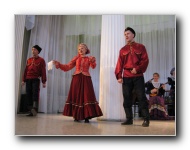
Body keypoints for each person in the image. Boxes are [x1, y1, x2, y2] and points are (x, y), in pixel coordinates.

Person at [53, 43, 103, 123]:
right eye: (79, 49)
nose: (80, 50)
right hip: (76, 78)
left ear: (86, 49)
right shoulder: (76, 58)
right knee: (76, 96)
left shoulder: (89, 58)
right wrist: (59, 64)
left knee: (86, 96)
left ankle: (87, 116)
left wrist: (93, 61)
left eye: (82, 48)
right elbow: (67, 67)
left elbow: (93, 67)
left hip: (86, 78)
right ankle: (76, 115)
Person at [115, 27, 150, 127]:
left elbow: (145, 60)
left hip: (138, 76)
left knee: (141, 97)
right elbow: (119, 64)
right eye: (125, 34)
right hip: (126, 76)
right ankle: (129, 119)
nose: (126, 35)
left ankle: (146, 119)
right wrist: (119, 75)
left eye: (128, 33)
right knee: (127, 98)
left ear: (133, 35)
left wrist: (137, 69)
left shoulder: (141, 47)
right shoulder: (122, 50)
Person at [22, 45, 47, 116]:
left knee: (35, 94)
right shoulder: (29, 60)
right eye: (32, 49)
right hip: (28, 79)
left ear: (38, 51)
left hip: (35, 79)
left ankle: (35, 109)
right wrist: (23, 80)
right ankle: (31, 111)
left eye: (35, 50)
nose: (33, 51)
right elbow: (26, 70)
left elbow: (43, 71)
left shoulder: (41, 60)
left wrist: (44, 81)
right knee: (28, 94)